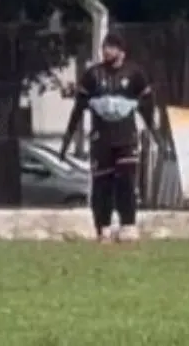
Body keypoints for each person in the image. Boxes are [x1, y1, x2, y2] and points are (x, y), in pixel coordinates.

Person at [60, 32, 157, 242]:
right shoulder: (93, 75)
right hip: (101, 139)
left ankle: (128, 225)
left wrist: (154, 132)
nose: (106, 51)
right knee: (102, 185)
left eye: (111, 47)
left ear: (122, 51)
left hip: (126, 138)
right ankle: (102, 228)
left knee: (126, 182)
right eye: (105, 47)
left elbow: (148, 105)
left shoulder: (135, 73)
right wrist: (67, 139)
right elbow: (78, 108)